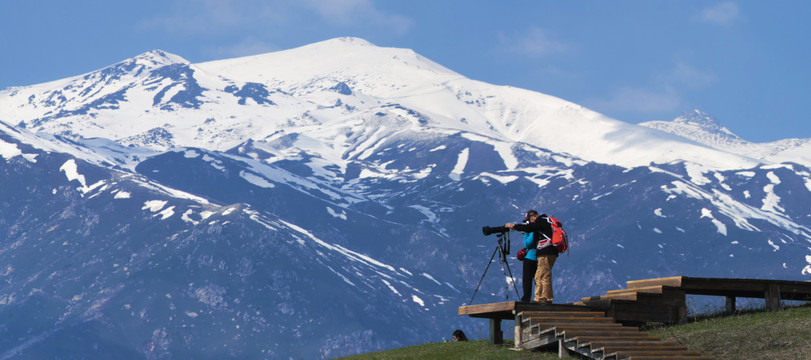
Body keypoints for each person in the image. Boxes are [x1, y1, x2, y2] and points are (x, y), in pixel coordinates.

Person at [506, 210, 557, 304]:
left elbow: (530, 233)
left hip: (544, 252)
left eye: (529, 220)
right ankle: (546, 298)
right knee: (543, 275)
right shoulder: (546, 221)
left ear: (533, 217)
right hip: (552, 252)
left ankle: (542, 299)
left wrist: (515, 226)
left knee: (541, 276)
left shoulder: (540, 222)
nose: (528, 222)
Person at [519, 228, 538, 303]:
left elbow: (528, 243)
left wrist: (525, 234)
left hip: (530, 258)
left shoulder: (533, 230)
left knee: (527, 279)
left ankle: (526, 298)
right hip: (538, 258)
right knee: (538, 279)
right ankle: (540, 296)